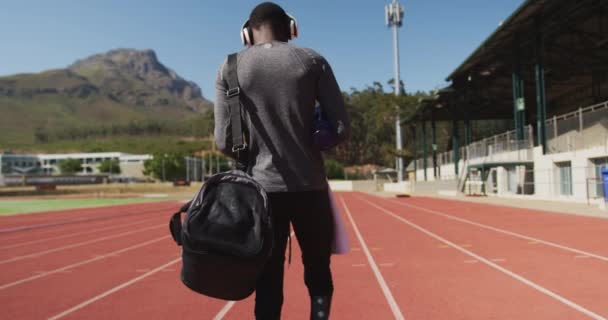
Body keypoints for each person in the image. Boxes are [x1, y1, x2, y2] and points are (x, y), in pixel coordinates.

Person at [213, 2, 350, 319]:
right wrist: (312, 136)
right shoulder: (313, 60)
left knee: (268, 276)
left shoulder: (229, 66)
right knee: (317, 268)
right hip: (310, 188)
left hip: (260, 193)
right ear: (292, 28)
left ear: (247, 34)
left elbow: (223, 141)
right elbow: (340, 129)